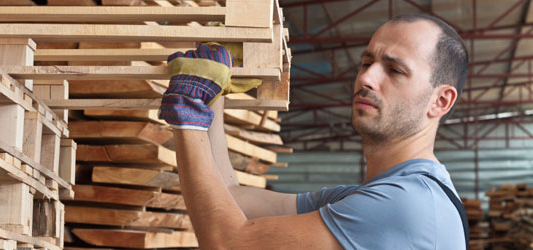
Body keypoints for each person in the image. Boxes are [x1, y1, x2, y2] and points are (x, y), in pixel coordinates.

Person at [158, 13, 469, 250]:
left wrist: (188, 116)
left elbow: (227, 243)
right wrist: (214, 92)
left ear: (440, 101)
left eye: (395, 70)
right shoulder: (376, 196)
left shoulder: (406, 205)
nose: (366, 78)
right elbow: (233, 198)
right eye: (366, 62)